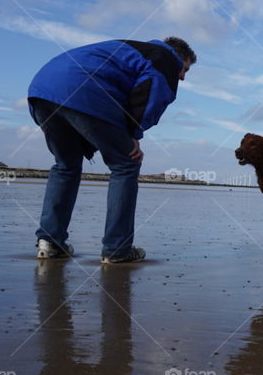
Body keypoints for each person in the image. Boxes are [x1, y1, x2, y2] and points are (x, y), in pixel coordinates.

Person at [27, 37, 195, 263]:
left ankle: (50, 242)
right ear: (178, 56)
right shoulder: (164, 57)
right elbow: (153, 94)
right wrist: (134, 135)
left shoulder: (128, 49)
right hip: (83, 92)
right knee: (126, 164)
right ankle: (118, 249)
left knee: (66, 165)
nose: (182, 76)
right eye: (184, 69)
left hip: (42, 90)